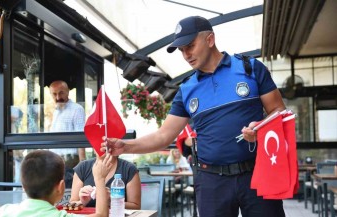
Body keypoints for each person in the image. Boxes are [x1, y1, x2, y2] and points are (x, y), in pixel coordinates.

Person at [102, 16, 286, 217]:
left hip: (258, 172)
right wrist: (126, 146)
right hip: (211, 182)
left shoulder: (249, 68)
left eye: (190, 46)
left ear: (210, 40)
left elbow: (279, 111)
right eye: (181, 50)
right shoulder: (187, 88)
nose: (186, 55)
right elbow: (164, 135)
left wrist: (261, 128)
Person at [0, 150, 111, 217]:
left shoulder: (5, 211)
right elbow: (100, 215)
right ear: (61, 187)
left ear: (23, 187)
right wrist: (99, 179)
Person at [70, 155, 141, 210]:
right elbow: (72, 204)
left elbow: (136, 206)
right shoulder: (82, 168)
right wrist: (82, 202)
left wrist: (111, 201)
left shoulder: (129, 169)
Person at [49, 80, 86, 162]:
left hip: (69, 159)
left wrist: (83, 164)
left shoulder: (76, 109)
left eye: (61, 93)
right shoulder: (56, 111)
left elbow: (80, 137)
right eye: (54, 94)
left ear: (68, 92)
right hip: (54, 159)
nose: (58, 97)